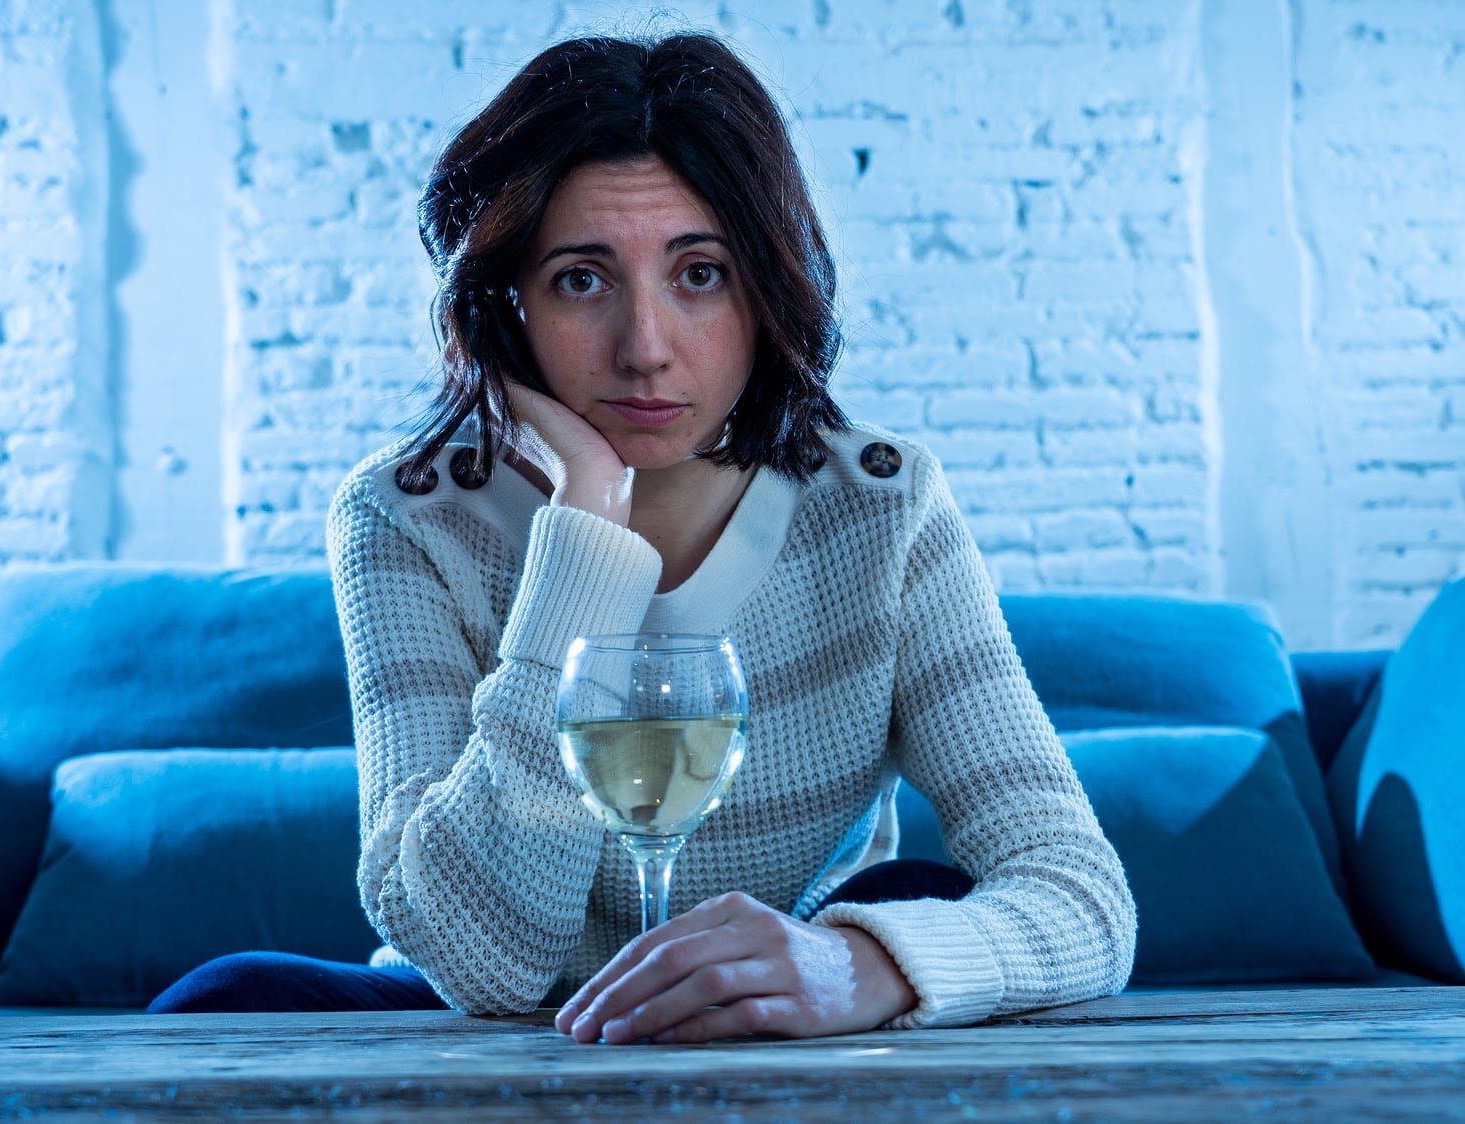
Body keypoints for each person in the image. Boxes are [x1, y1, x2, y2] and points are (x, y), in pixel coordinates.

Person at [149, 31, 1136, 1042]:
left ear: (768, 287)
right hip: (494, 1018)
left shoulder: (882, 506)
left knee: (917, 895)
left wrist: (854, 967)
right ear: (506, 306)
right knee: (219, 998)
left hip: (772, 998)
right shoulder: (404, 519)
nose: (646, 348)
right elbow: (484, 961)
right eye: (582, 279)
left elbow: (1083, 898)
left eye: (699, 274)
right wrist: (584, 522)